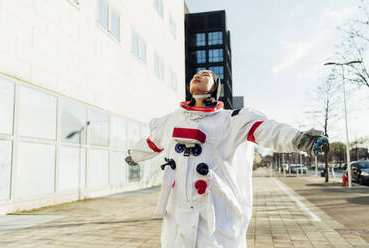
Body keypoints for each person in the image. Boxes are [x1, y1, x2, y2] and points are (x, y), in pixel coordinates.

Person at [125, 70, 328, 248]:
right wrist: (134, 155)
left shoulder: (230, 120)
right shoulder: (171, 120)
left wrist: (298, 139)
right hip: (177, 209)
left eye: (206, 75)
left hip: (214, 208)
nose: (198, 76)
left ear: (215, 89)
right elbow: (152, 142)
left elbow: (266, 130)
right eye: (196, 75)